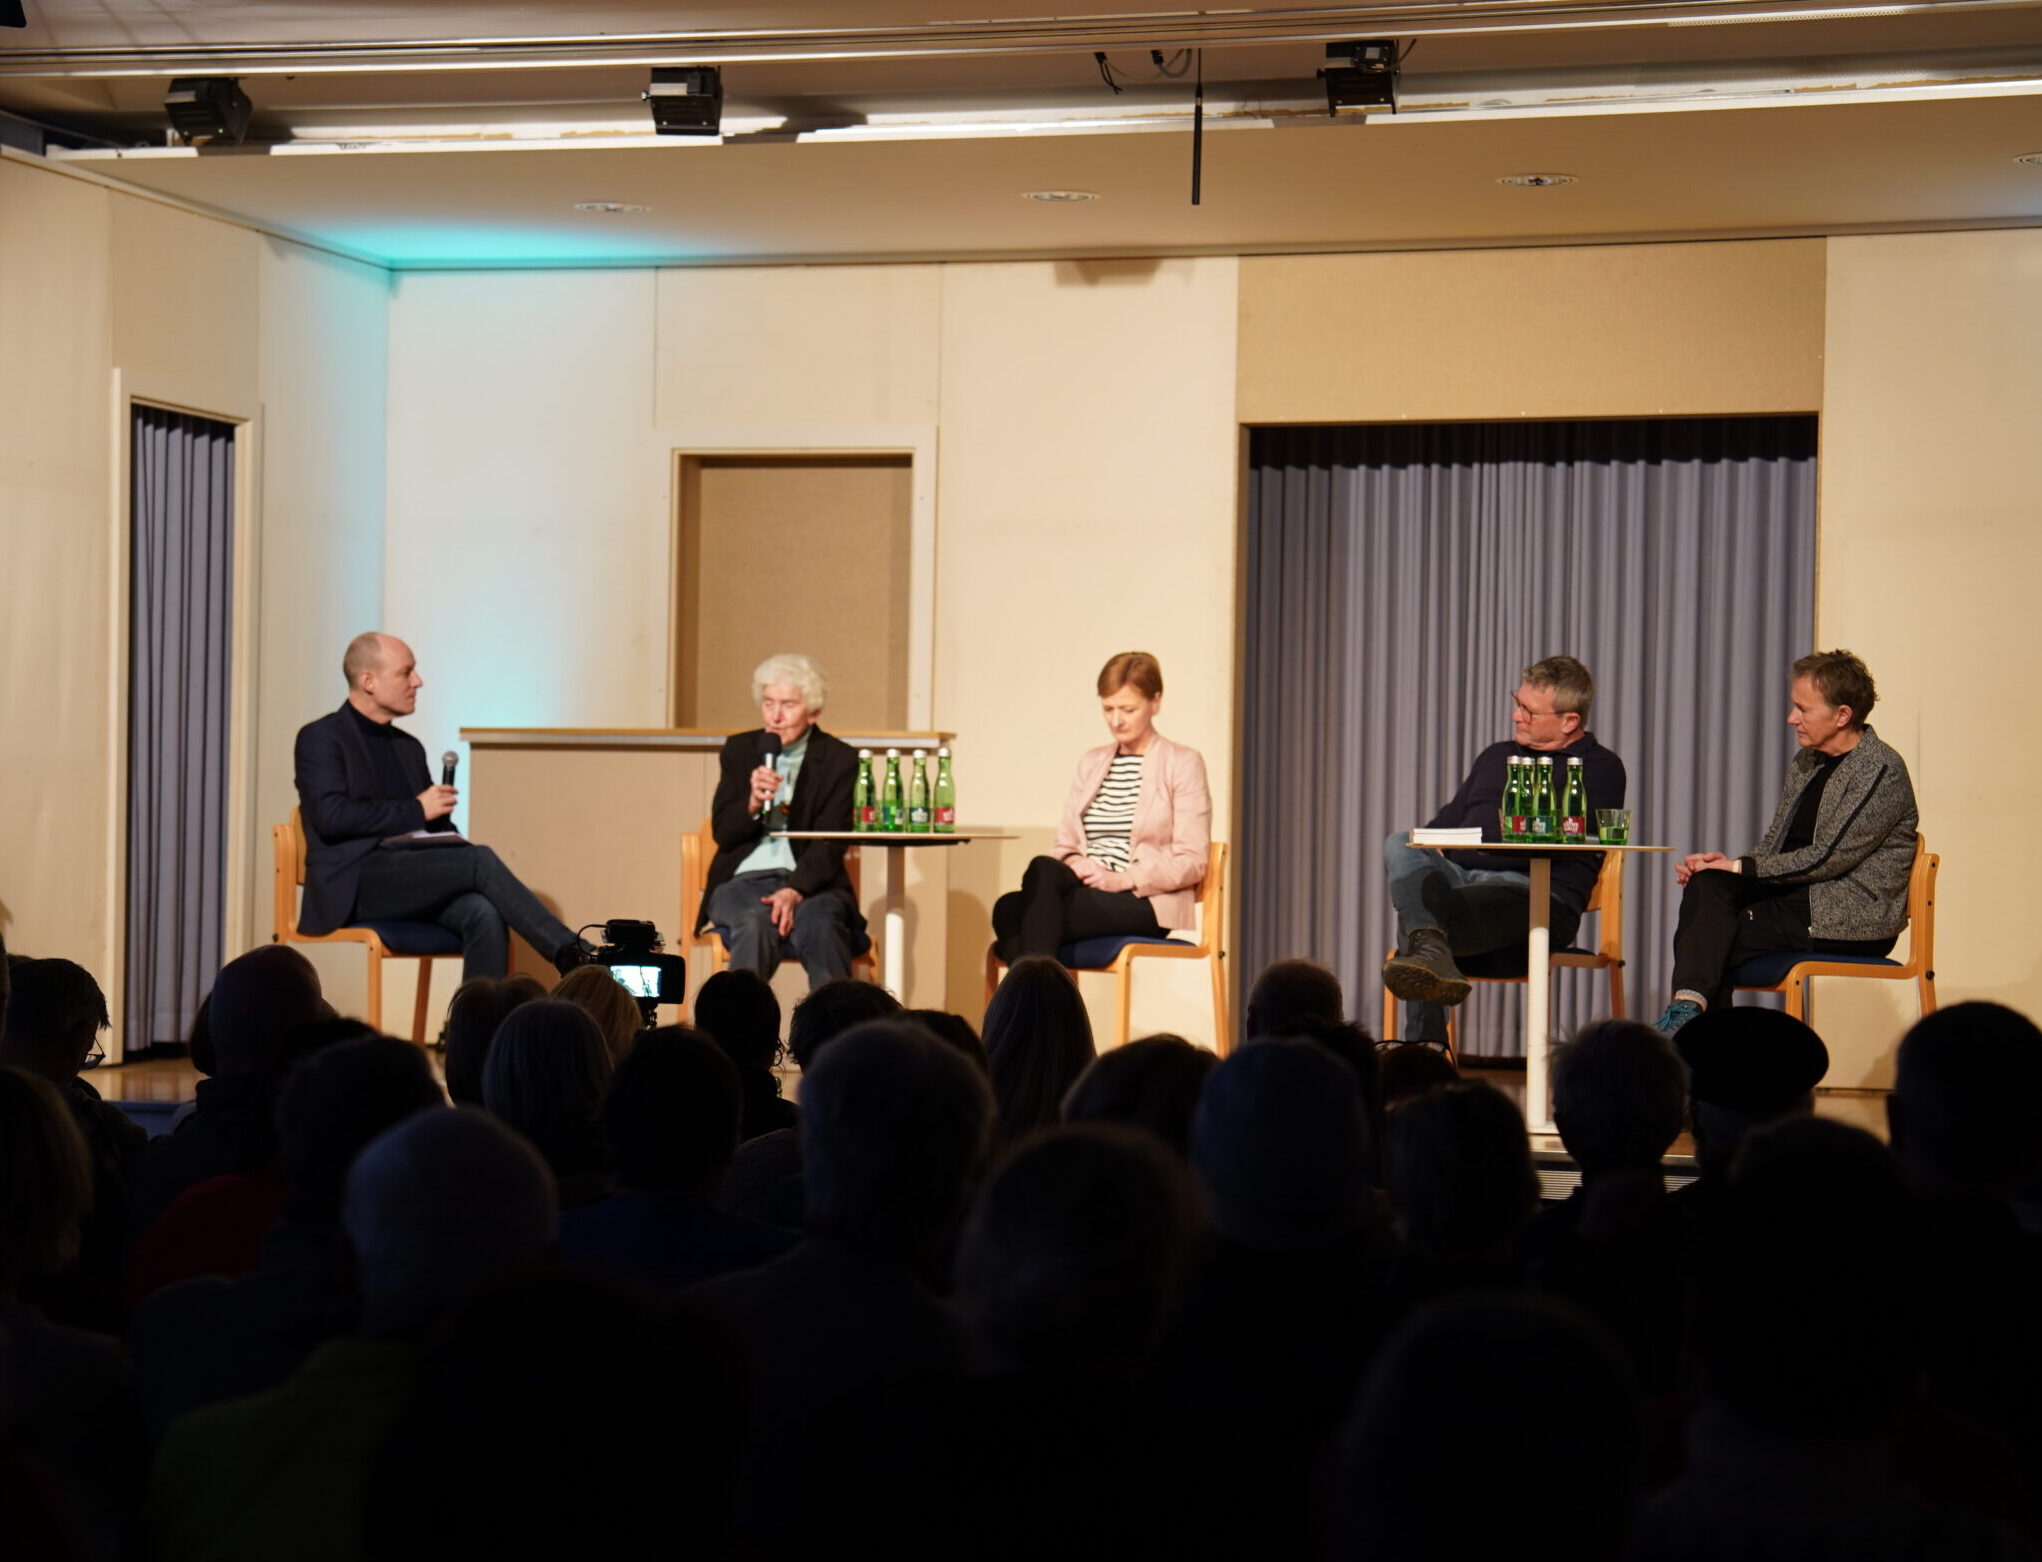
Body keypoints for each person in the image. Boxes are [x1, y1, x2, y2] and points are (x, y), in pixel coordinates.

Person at [293, 631, 590, 983]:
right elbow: (331, 818)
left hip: (406, 876)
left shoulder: (408, 747)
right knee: (478, 859)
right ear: (368, 680)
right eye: (406, 673)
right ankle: (575, 956)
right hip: (354, 883)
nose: (417, 682)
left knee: (482, 912)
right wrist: (417, 810)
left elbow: (425, 827)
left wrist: (442, 832)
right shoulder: (321, 737)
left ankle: (476, 1030)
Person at [1654, 650, 1917, 1036]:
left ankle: (1695, 1041)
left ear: (1842, 715)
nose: (1791, 718)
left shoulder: (1878, 769)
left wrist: (1740, 869)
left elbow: (1828, 858)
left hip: (1848, 914)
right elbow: (1776, 844)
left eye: (1802, 709)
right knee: (1706, 886)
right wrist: (1727, 866)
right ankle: (1693, 1025)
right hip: (1795, 901)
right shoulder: (1808, 761)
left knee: (1711, 939)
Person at [1381, 655, 1626, 1046]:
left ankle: (1425, 1049)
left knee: (1424, 920)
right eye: (1517, 703)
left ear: (1569, 722)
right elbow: (1440, 830)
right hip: (1464, 882)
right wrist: (1427, 848)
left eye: (1528, 711)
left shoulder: (1598, 769)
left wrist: (1485, 847)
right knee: (1400, 842)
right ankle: (1431, 948)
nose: (1516, 717)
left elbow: (1564, 845)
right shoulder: (1496, 756)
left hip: (1538, 896)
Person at [992, 651, 1210, 964]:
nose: (1116, 720)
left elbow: (1193, 862)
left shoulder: (1183, 763)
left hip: (1142, 900)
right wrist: (1077, 863)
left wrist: (1123, 879)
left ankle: (1036, 1004)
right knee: (1031, 881)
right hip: (1084, 888)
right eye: (1108, 709)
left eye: (1127, 709)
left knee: (1017, 913)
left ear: (1155, 702)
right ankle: (1044, 1001)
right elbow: (1064, 846)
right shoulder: (1092, 762)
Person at [697, 653, 866, 987]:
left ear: (813, 711)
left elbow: (830, 841)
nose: (775, 716)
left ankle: (834, 1032)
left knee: (822, 924)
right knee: (753, 921)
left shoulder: (839, 759)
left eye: (788, 705)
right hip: (742, 880)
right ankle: (741, 1032)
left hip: (814, 884)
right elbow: (724, 833)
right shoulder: (741, 749)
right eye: (768, 703)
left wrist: (794, 891)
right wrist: (751, 802)